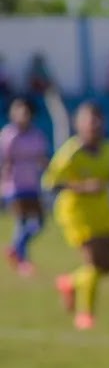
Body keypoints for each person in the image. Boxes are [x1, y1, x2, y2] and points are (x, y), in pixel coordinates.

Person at [42, 102, 109, 331]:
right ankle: (85, 315)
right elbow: (50, 183)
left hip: (101, 210)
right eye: (89, 120)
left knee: (107, 266)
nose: (94, 125)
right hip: (76, 212)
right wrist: (83, 187)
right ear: (78, 124)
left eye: (97, 119)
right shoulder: (71, 152)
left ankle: (70, 282)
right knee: (93, 263)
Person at [1, 97, 49, 276]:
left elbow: (42, 158)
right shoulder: (8, 135)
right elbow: (4, 161)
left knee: (39, 222)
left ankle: (15, 248)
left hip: (32, 184)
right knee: (21, 221)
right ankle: (23, 261)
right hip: (14, 185)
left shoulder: (36, 135)